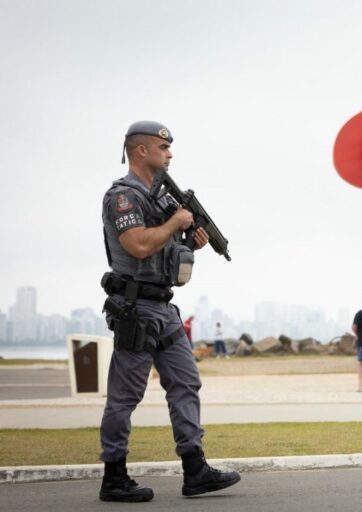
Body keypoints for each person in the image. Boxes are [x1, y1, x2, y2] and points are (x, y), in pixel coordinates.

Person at [99, 121, 240, 502]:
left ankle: (195, 470)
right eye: (163, 147)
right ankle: (113, 476)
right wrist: (176, 222)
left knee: (186, 383)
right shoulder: (123, 198)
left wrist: (187, 240)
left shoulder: (163, 200)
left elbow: (171, 261)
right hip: (135, 308)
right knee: (125, 396)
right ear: (141, 151)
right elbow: (138, 245)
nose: (170, 153)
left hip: (164, 307)